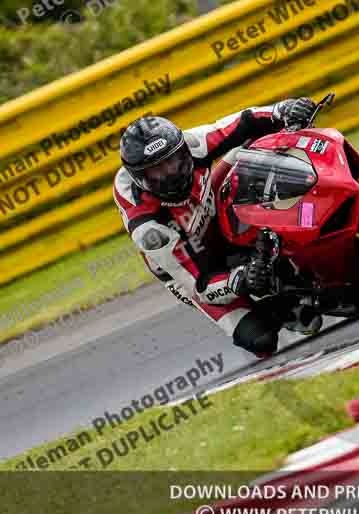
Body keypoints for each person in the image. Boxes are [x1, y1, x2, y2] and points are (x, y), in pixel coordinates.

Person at [113, 98, 321, 358]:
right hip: (191, 261)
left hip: (210, 208)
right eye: (157, 172)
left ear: (182, 150)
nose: (170, 174)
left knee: (252, 149)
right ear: (140, 179)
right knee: (261, 340)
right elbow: (199, 285)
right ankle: (283, 305)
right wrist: (242, 278)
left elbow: (243, 122)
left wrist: (284, 110)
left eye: (172, 161)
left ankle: (309, 216)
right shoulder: (148, 228)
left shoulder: (192, 143)